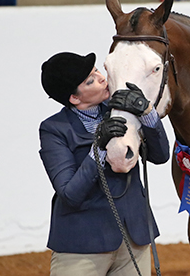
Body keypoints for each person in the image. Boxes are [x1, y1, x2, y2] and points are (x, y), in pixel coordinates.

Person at [39, 51, 170, 276]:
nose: (101, 78)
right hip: (82, 245)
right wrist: (99, 147)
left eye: (97, 71)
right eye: (90, 80)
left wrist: (147, 112)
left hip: (133, 238)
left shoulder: (120, 110)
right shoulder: (54, 129)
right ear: (75, 98)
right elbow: (70, 193)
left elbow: (160, 155)